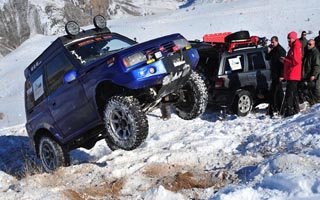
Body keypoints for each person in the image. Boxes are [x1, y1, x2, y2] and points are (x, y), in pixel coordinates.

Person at [280, 31, 302, 117]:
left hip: (293, 74)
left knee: (289, 93)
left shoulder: (296, 47)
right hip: (291, 74)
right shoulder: (293, 47)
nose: (288, 40)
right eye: (288, 39)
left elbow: (296, 61)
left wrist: (285, 60)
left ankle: (289, 111)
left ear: (294, 38)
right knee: (293, 93)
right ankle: (296, 109)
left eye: (290, 39)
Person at [265, 36, 286, 117]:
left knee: (278, 92)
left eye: (273, 42)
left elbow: (282, 64)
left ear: (277, 41)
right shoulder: (273, 50)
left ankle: (280, 108)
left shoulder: (281, 50)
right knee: (274, 92)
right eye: (271, 42)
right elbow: (267, 58)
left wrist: (282, 75)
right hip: (274, 74)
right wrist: (269, 51)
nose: (272, 44)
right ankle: (274, 108)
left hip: (279, 73)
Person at [301, 39, 320, 104]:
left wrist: (314, 75)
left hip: (311, 75)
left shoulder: (315, 53)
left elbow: (316, 65)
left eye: (310, 44)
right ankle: (310, 103)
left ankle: (315, 105)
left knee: (313, 90)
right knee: (306, 90)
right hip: (306, 74)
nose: (308, 45)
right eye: (307, 44)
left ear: (313, 45)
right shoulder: (308, 52)